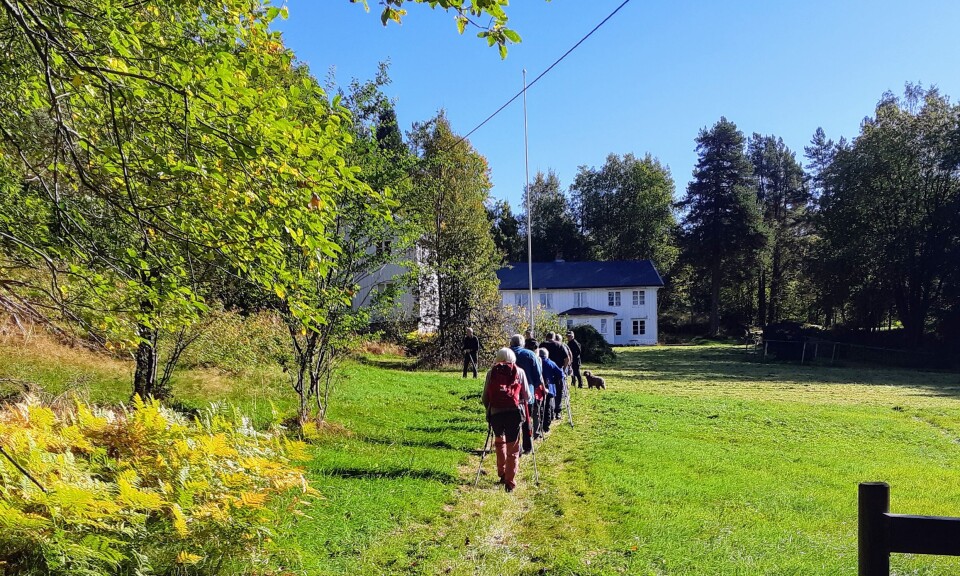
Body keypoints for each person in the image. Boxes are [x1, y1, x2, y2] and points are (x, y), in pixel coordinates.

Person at [481, 347, 530, 492]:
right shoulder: (519, 371)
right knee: (513, 447)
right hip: (514, 413)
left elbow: (485, 397)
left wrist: (489, 409)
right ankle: (510, 481)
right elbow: (527, 396)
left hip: (496, 412)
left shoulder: (491, 372)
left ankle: (501, 473)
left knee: (499, 442)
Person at [509, 333, 542, 454]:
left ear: (511, 343)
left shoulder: (505, 354)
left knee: (512, 421)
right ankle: (527, 446)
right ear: (523, 343)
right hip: (526, 393)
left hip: (508, 394)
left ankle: (513, 446)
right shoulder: (529, 354)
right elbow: (538, 376)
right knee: (527, 420)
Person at [536, 348, 564, 435]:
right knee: (547, 406)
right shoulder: (549, 362)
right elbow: (560, 374)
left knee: (538, 408)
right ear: (546, 355)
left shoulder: (535, 361)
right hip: (549, 387)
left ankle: (538, 426)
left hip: (537, 388)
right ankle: (546, 426)